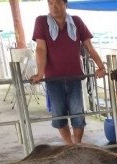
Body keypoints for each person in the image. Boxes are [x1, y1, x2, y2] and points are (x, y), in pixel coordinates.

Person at [31, 0, 106, 144]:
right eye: (50, 3)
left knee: (78, 115)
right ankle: (69, 145)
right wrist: (40, 73)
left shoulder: (76, 21)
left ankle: (77, 144)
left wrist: (101, 67)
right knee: (58, 115)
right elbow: (40, 49)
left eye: (58, 3)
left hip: (74, 77)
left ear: (66, 4)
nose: (54, 7)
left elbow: (89, 46)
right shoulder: (41, 21)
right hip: (53, 79)